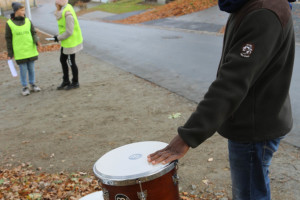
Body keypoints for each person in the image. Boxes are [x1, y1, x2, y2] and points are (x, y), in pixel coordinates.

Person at [148, 0, 295, 199]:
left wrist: (186, 137)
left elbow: (231, 83)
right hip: (252, 118)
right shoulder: (247, 5)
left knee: (249, 194)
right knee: (253, 188)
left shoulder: (264, 12)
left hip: (254, 128)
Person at [5, 2, 41, 96]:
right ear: (16, 11)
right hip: (20, 52)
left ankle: (33, 84)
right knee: (23, 70)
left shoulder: (28, 21)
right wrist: (10, 53)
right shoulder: (9, 24)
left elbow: (33, 32)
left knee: (31, 69)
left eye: (24, 10)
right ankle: (25, 87)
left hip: (30, 50)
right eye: (22, 10)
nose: (24, 12)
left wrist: (36, 41)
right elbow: (8, 39)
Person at [54, 0, 83, 90]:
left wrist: (58, 37)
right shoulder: (63, 9)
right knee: (62, 60)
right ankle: (66, 80)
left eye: (56, 2)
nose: (55, 4)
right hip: (66, 42)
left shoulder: (67, 13)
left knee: (71, 62)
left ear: (60, 3)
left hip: (71, 42)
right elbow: (63, 27)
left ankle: (75, 82)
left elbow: (69, 31)